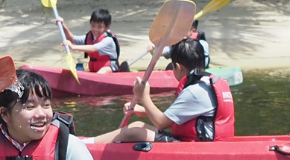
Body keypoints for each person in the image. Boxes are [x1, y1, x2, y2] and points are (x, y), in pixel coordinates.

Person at [89, 38, 235, 144]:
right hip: (207, 142)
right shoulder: (205, 84)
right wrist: (141, 109)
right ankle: (93, 142)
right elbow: (174, 119)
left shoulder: (194, 91)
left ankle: (88, 145)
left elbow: (160, 123)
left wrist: (143, 96)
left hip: (199, 147)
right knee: (137, 125)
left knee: (134, 130)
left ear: (178, 67)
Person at [60, 8, 121, 72]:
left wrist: (72, 47)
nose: (96, 29)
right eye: (93, 25)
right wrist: (63, 25)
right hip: (94, 70)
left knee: (103, 71)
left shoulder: (108, 40)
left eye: (100, 27)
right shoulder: (89, 37)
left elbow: (93, 48)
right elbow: (72, 39)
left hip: (110, 69)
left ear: (107, 27)